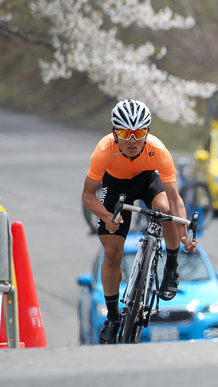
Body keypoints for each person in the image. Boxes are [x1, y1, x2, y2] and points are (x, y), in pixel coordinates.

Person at [81, 99, 196, 344]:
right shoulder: (103, 150)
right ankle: (112, 318)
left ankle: (171, 268)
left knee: (164, 210)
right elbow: (87, 195)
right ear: (115, 133)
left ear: (147, 133)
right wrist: (106, 217)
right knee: (112, 252)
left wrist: (184, 232)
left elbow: (175, 199)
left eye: (138, 133)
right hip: (115, 185)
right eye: (124, 133)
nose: (132, 140)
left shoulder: (158, 150)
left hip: (147, 180)